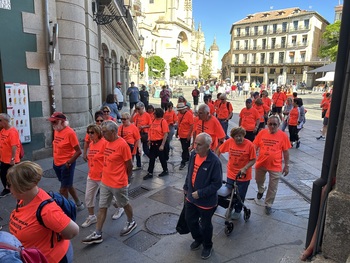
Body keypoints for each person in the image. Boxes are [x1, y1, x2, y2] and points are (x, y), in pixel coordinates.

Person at [8, 161, 79, 263]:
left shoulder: (47, 210)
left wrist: (54, 240)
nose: (8, 188)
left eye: (10, 185)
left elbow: (73, 232)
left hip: (53, 259)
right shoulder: (22, 200)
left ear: (23, 187)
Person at [82, 121, 136, 244]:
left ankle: (131, 221)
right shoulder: (105, 142)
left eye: (104, 131)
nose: (102, 133)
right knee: (102, 207)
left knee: (124, 204)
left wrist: (126, 179)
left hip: (118, 183)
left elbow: (129, 164)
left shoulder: (122, 145)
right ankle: (98, 233)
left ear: (113, 132)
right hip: (105, 181)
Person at [183, 132, 222, 260]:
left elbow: (217, 184)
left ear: (208, 146)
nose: (196, 146)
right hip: (191, 197)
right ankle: (198, 239)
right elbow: (190, 172)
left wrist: (201, 193)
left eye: (199, 144)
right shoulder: (194, 154)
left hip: (206, 202)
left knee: (206, 225)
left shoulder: (214, 162)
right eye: (195, 143)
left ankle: (207, 245)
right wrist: (186, 186)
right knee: (190, 220)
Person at [253, 116, 291, 215]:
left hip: (275, 166)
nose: (272, 126)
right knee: (258, 179)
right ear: (267, 124)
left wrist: (286, 165)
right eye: (270, 124)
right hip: (261, 163)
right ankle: (261, 189)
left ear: (279, 125)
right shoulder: (262, 133)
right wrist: (251, 158)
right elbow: (255, 146)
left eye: (275, 124)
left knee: (273, 186)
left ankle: (268, 204)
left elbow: (286, 152)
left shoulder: (283, 136)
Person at [216, 127, 256, 219]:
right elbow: (219, 150)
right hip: (231, 172)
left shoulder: (249, 145)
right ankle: (230, 207)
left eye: (240, 136)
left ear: (244, 136)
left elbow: (253, 159)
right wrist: (216, 161)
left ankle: (238, 210)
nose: (238, 138)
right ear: (233, 137)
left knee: (240, 194)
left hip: (243, 175)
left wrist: (245, 168)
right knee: (228, 192)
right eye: (236, 136)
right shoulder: (229, 142)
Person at [48, 112, 84, 211]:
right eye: (52, 122)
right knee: (68, 185)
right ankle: (79, 204)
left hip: (66, 164)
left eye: (54, 122)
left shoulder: (70, 133)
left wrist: (68, 163)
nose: (52, 124)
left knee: (63, 189)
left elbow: (78, 151)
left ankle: (65, 210)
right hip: (56, 163)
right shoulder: (56, 130)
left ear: (62, 121)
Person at [82, 124, 107, 228]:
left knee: (111, 199)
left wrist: (105, 171)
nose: (90, 135)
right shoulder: (91, 144)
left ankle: (120, 208)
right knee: (88, 197)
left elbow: (108, 159)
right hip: (92, 175)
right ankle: (92, 217)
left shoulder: (104, 143)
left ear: (98, 133)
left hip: (103, 176)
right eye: (89, 132)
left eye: (92, 132)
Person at [143, 108, 169, 180]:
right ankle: (150, 173)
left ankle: (165, 170)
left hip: (160, 142)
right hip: (153, 143)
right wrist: (149, 140)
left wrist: (162, 145)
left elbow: (165, 134)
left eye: (154, 113)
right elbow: (151, 130)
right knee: (152, 158)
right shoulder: (154, 120)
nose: (153, 114)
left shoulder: (163, 121)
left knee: (162, 158)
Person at [0, 113, 21, 198]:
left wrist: (12, 159)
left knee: (13, 175)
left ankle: (18, 189)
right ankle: (7, 189)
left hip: (11, 160)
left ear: (5, 121)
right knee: (3, 175)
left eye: (0, 120)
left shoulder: (12, 131)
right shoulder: (2, 131)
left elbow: (14, 146)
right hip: (3, 158)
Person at [176, 102, 194, 170]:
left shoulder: (189, 115)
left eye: (180, 110)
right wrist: (177, 132)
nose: (179, 111)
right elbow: (179, 123)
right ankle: (188, 159)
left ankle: (183, 162)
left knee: (185, 149)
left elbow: (192, 125)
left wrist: (189, 135)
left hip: (186, 135)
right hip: (181, 134)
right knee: (184, 148)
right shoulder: (180, 114)